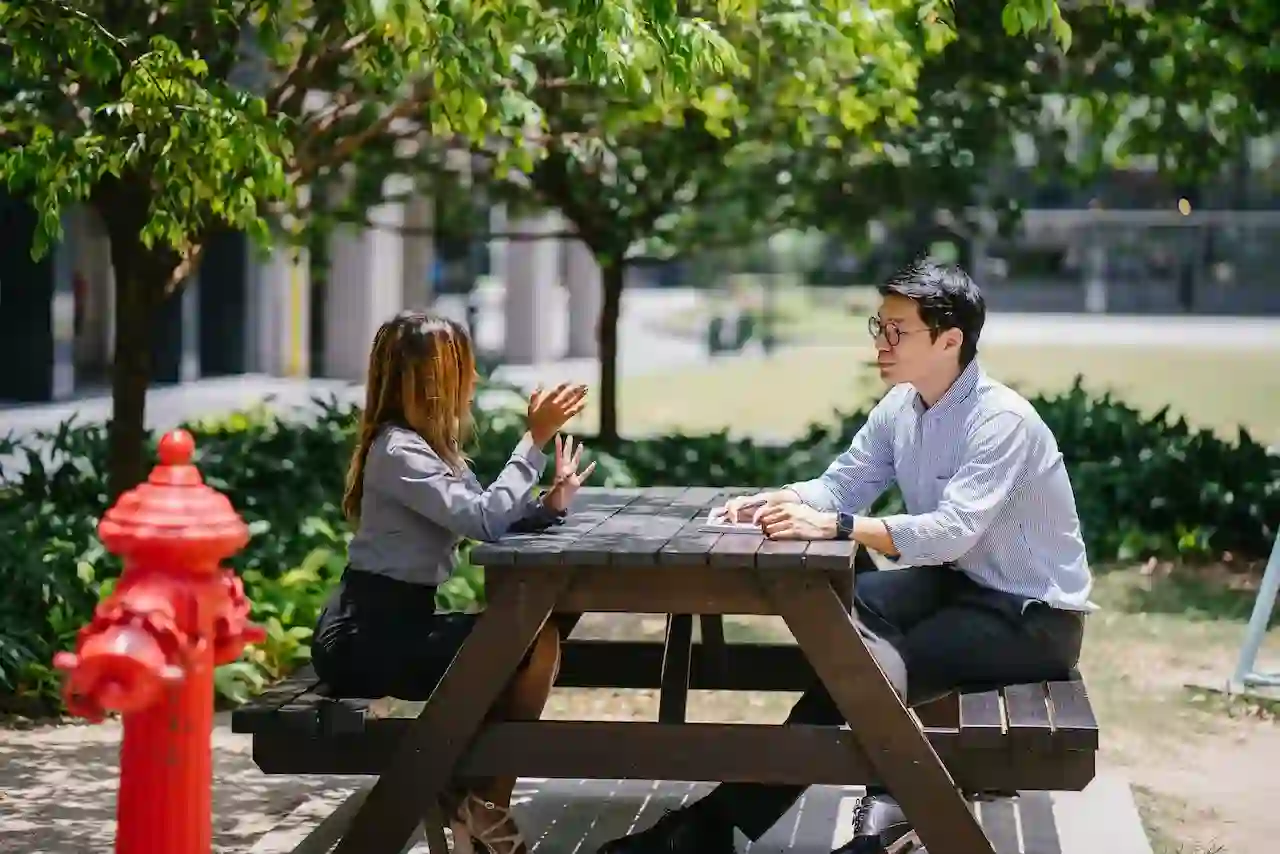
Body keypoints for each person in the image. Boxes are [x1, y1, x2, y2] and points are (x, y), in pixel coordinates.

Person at [594, 259, 1094, 854]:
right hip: (956, 588)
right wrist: (779, 501)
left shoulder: (1000, 421)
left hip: (1030, 619)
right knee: (843, 628)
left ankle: (737, 823)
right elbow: (843, 483)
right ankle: (870, 802)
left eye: (897, 331)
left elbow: (949, 532)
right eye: (877, 326)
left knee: (855, 664)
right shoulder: (901, 409)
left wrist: (837, 525)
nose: (881, 343)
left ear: (950, 340)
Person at [311, 311, 597, 854]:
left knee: (529, 642)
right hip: (364, 636)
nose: (471, 385)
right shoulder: (397, 452)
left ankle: (477, 799)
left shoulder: (427, 450)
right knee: (524, 644)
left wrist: (548, 506)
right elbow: (483, 521)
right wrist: (532, 442)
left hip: (398, 623)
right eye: (462, 372)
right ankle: (482, 806)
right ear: (432, 382)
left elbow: (487, 511)